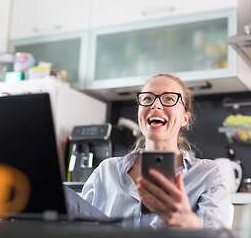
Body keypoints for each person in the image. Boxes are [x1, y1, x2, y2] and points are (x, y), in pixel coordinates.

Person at [81, 73, 231, 229]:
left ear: (184, 119)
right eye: (147, 98)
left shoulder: (209, 175)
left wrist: (187, 222)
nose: (155, 105)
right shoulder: (106, 171)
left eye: (169, 99)